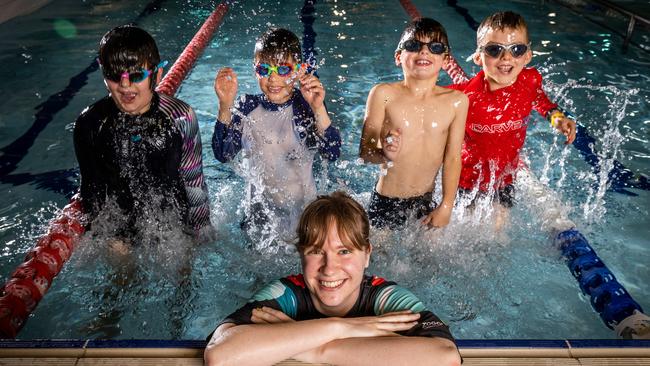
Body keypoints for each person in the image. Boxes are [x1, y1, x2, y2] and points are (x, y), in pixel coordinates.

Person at [204, 191, 461, 366]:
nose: (330, 268)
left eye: (345, 251)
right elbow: (220, 355)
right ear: (301, 255)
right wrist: (340, 327)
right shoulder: (285, 294)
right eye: (316, 251)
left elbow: (445, 357)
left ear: (367, 254)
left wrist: (317, 350)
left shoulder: (386, 298)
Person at [73, 25, 214, 244]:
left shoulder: (180, 117)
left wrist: (202, 230)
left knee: (183, 271)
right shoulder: (90, 124)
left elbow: (194, 181)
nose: (125, 85)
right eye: (114, 75)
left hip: (175, 225)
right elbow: (92, 194)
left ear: (157, 74)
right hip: (120, 229)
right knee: (117, 255)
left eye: (137, 75)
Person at [212, 28, 341, 238]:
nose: (273, 79)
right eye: (264, 70)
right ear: (255, 70)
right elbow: (222, 154)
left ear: (300, 70)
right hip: (259, 214)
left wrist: (318, 109)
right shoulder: (246, 108)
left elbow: (332, 153)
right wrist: (225, 106)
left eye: (283, 70)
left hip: (303, 214)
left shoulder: (305, 106)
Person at [446, 11, 577, 212]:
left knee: (500, 238)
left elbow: (540, 100)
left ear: (527, 56)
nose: (506, 56)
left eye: (516, 49)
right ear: (478, 57)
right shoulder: (464, 97)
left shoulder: (530, 80)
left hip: (505, 179)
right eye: (494, 49)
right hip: (467, 182)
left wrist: (557, 118)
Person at [359, 18, 468, 230]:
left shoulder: (457, 101)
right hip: (385, 202)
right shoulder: (383, 94)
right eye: (414, 45)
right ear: (398, 57)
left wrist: (446, 206)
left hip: (426, 204)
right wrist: (384, 154)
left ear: (446, 61)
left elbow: (454, 158)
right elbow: (365, 151)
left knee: (430, 261)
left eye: (435, 47)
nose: (424, 52)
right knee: (378, 259)